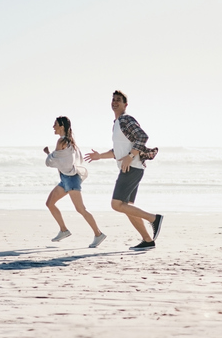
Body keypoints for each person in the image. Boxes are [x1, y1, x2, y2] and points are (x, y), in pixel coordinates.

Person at [84, 90, 163, 250]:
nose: (114, 102)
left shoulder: (126, 119)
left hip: (132, 167)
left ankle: (154, 219)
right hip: (131, 167)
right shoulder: (117, 124)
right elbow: (117, 152)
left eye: (118, 100)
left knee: (116, 204)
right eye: (113, 100)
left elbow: (142, 137)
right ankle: (147, 240)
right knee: (128, 207)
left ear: (125, 104)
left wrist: (130, 155)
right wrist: (99, 156)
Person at [43, 116, 106, 248]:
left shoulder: (62, 141)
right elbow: (60, 161)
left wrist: (48, 154)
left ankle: (98, 234)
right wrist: (50, 154)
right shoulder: (67, 141)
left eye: (55, 124)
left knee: (81, 209)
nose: (53, 127)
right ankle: (63, 230)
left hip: (71, 179)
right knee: (50, 203)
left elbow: (51, 162)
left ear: (62, 126)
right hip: (66, 178)